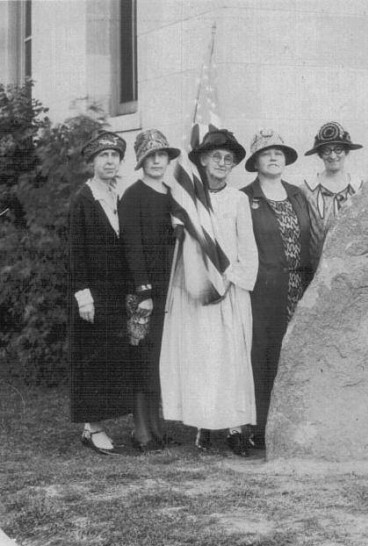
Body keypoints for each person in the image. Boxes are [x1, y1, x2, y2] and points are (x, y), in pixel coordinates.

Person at [159, 129, 259, 456]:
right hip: (198, 291)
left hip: (229, 291)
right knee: (203, 358)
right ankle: (204, 424)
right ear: (203, 159)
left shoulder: (238, 200)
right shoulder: (189, 200)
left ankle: (234, 428)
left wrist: (232, 277)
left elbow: (248, 248)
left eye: (228, 159)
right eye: (216, 156)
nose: (222, 163)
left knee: (231, 360)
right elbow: (182, 248)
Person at [241, 130, 320, 449]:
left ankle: (296, 426)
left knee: (298, 354)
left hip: (299, 289)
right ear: (256, 161)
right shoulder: (245, 197)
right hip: (263, 291)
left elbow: (312, 238)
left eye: (278, 152)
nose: (273, 157)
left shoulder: (298, 195)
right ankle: (262, 429)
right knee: (264, 357)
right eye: (266, 153)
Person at [68, 130, 133, 455]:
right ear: (92, 161)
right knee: (92, 361)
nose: (109, 161)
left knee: (108, 358)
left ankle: (90, 426)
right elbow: (76, 252)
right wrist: (84, 295)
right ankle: (93, 428)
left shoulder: (115, 195)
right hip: (92, 295)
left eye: (114, 156)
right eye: (103, 156)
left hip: (114, 293)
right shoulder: (84, 199)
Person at [119, 129, 180, 452]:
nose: (157, 161)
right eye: (151, 157)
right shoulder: (133, 195)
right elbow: (132, 247)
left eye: (162, 155)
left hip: (171, 289)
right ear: (142, 161)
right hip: (144, 292)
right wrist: (144, 292)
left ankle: (158, 427)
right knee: (141, 356)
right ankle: (141, 429)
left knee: (160, 358)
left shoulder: (172, 193)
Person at [302, 121, 363, 243]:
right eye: (326, 151)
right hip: (316, 260)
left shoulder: (359, 189)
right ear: (320, 154)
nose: (333, 156)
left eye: (338, 149)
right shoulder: (306, 190)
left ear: (346, 152)